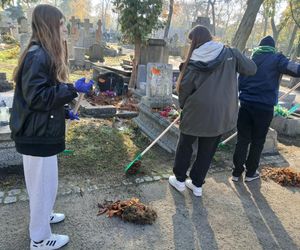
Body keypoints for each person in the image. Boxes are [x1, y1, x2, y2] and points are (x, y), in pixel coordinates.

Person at [10, 4, 93, 249]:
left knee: (47, 184)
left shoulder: (42, 53)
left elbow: (40, 97)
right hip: (36, 136)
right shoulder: (38, 55)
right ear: (50, 26)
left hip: (41, 131)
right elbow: (37, 97)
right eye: (61, 24)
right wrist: (71, 89)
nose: (65, 29)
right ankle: (39, 238)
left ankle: (43, 217)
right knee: (40, 187)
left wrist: (65, 112)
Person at [168, 25, 257, 197]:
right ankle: (197, 184)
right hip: (221, 112)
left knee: (186, 144)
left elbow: (185, 87)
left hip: (196, 109)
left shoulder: (193, 60)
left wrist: (183, 105)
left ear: (194, 41)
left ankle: (179, 180)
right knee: (208, 148)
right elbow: (252, 69)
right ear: (210, 37)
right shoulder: (231, 53)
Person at [232, 36, 300, 182]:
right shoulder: (277, 59)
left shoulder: (250, 59)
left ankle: (236, 173)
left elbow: (239, 81)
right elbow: (295, 69)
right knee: (258, 140)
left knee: (242, 139)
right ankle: (250, 173)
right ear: (273, 47)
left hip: (245, 105)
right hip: (264, 107)